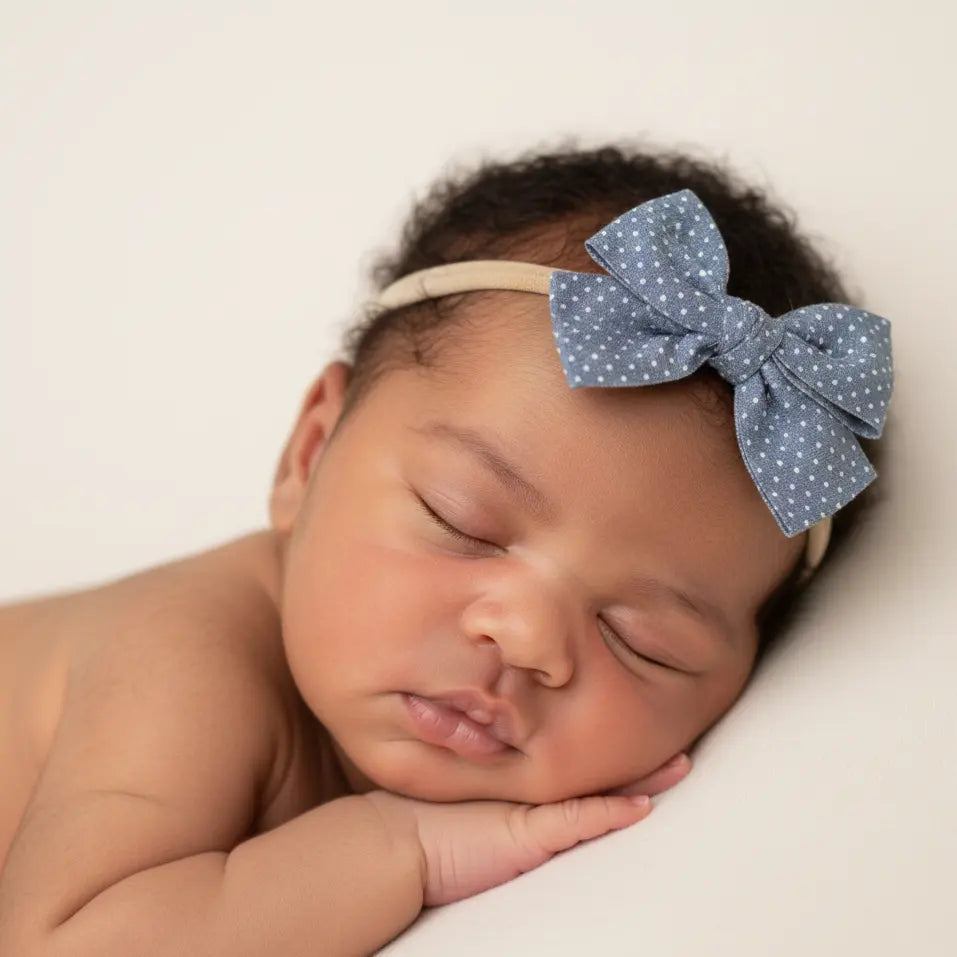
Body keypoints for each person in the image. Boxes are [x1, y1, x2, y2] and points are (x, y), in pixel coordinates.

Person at [0, 142, 894, 956]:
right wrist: (402, 848)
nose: (526, 638)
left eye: (641, 639)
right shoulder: (185, 652)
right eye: (462, 521)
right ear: (310, 455)